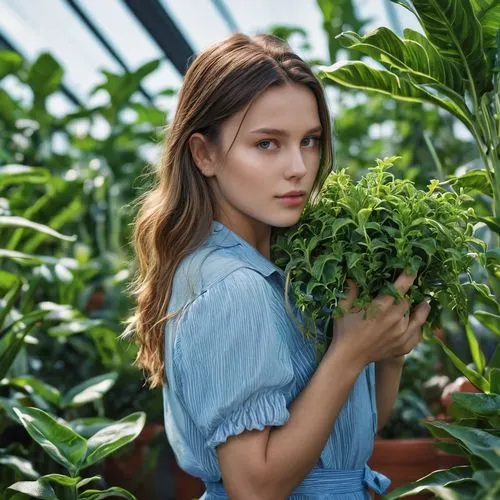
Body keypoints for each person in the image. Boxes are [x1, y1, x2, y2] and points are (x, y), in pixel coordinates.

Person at [125, 32, 431, 499]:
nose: (298, 167)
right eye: (267, 144)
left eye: (310, 141)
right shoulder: (234, 288)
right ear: (203, 154)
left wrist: (384, 354)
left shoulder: (284, 268)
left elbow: (343, 443)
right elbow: (255, 487)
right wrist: (348, 353)